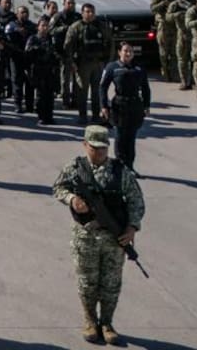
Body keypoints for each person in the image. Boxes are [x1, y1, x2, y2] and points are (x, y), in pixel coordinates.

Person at [52, 125, 146, 346]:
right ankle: (90, 321)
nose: (99, 152)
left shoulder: (120, 171)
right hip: (85, 236)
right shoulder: (75, 167)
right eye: (94, 148)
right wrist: (72, 200)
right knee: (87, 282)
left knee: (111, 283)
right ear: (85, 145)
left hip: (115, 238)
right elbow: (58, 188)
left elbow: (136, 200)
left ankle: (107, 323)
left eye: (103, 148)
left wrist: (132, 227)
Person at [98, 43, 150, 172]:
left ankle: (130, 166)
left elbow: (145, 88)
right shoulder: (112, 67)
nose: (128, 54)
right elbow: (103, 87)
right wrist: (104, 106)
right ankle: (120, 167)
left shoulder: (139, 68)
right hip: (119, 106)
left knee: (131, 137)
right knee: (120, 137)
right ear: (119, 52)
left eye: (131, 51)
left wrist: (146, 105)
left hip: (135, 105)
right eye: (125, 51)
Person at [65, 4, 114, 124]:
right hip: (82, 64)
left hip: (98, 63)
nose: (90, 14)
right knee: (82, 91)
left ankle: (96, 115)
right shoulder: (76, 27)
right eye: (87, 11)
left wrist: (109, 63)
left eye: (92, 11)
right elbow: (68, 46)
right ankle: (82, 115)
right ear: (82, 13)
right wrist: (71, 63)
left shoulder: (102, 26)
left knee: (97, 91)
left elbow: (110, 43)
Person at [25, 15, 62, 125]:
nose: (45, 28)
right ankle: (41, 116)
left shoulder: (52, 38)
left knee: (50, 94)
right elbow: (27, 52)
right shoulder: (33, 38)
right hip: (38, 69)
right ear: (38, 27)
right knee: (41, 95)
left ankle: (49, 116)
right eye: (43, 25)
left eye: (47, 26)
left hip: (50, 70)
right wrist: (38, 49)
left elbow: (58, 52)